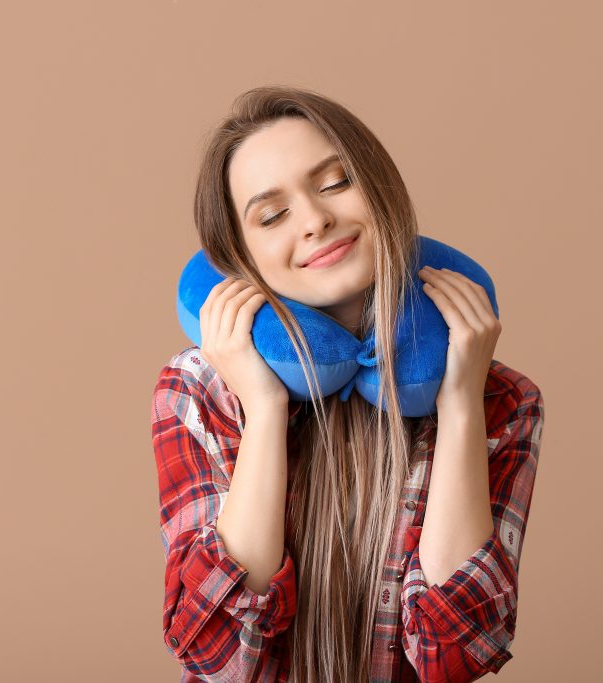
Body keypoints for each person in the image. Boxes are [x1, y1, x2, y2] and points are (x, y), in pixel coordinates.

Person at [151, 85, 545, 682]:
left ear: (381, 188)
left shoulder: (505, 401)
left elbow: (457, 654)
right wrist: (263, 408)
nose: (315, 221)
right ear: (239, 259)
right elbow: (220, 655)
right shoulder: (198, 390)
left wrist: (460, 403)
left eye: (335, 182)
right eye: (272, 214)